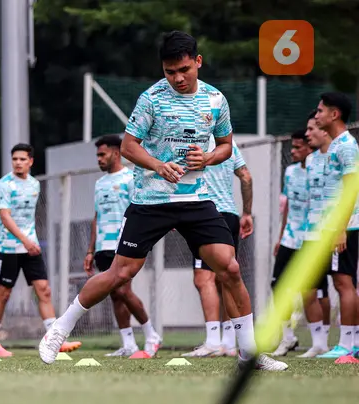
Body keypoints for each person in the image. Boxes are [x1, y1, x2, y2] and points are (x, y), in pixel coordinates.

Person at [38, 31, 287, 371]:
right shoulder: (151, 99)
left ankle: (249, 353)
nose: (177, 78)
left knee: (229, 267)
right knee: (119, 273)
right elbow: (128, 147)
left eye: (183, 69)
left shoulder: (216, 100)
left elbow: (226, 146)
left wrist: (210, 158)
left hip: (197, 200)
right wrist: (158, 165)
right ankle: (58, 330)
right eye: (170, 71)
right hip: (151, 199)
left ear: (198, 62)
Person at [0, 143, 81, 357]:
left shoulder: (35, 184)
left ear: (31, 161)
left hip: (31, 247)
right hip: (8, 248)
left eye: (22, 159)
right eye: (15, 159)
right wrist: (24, 240)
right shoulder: (4, 185)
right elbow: (5, 216)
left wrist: (30, 242)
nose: (18, 163)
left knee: (44, 290)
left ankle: (54, 340)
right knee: (2, 294)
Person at [84, 135, 162, 357]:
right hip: (103, 246)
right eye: (97, 155)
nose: (99, 159)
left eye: (102, 154)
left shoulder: (130, 178)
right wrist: (91, 250)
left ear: (116, 153)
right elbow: (96, 217)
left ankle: (151, 335)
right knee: (115, 295)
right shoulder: (99, 184)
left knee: (123, 290)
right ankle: (128, 344)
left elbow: (141, 209)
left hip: (124, 244)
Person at [182, 136, 253, 357]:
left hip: (204, 214)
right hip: (229, 214)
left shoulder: (190, 139)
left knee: (204, 279)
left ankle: (214, 341)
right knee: (227, 277)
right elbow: (246, 177)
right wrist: (247, 212)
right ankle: (229, 343)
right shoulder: (228, 145)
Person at [271, 126, 330, 357]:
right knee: (278, 288)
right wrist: (280, 235)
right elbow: (287, 208)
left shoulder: (320, 169)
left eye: (298, 147)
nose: (293, 151)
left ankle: (321, 341)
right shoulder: (290, 172)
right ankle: (287, 338)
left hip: (313, 238)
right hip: (290, 238)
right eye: (292, 147)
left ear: (309, 148)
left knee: (317, 292)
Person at [309, 93, 359, 358]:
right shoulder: (336, 145)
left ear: (334, 114)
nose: (316, 116)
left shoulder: (346, 146)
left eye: (319, 111)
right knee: (342, 282)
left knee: (344, 283)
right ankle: (350, 343)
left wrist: (340, 228)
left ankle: (348, 345)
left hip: (346, 227)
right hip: (335, 226)